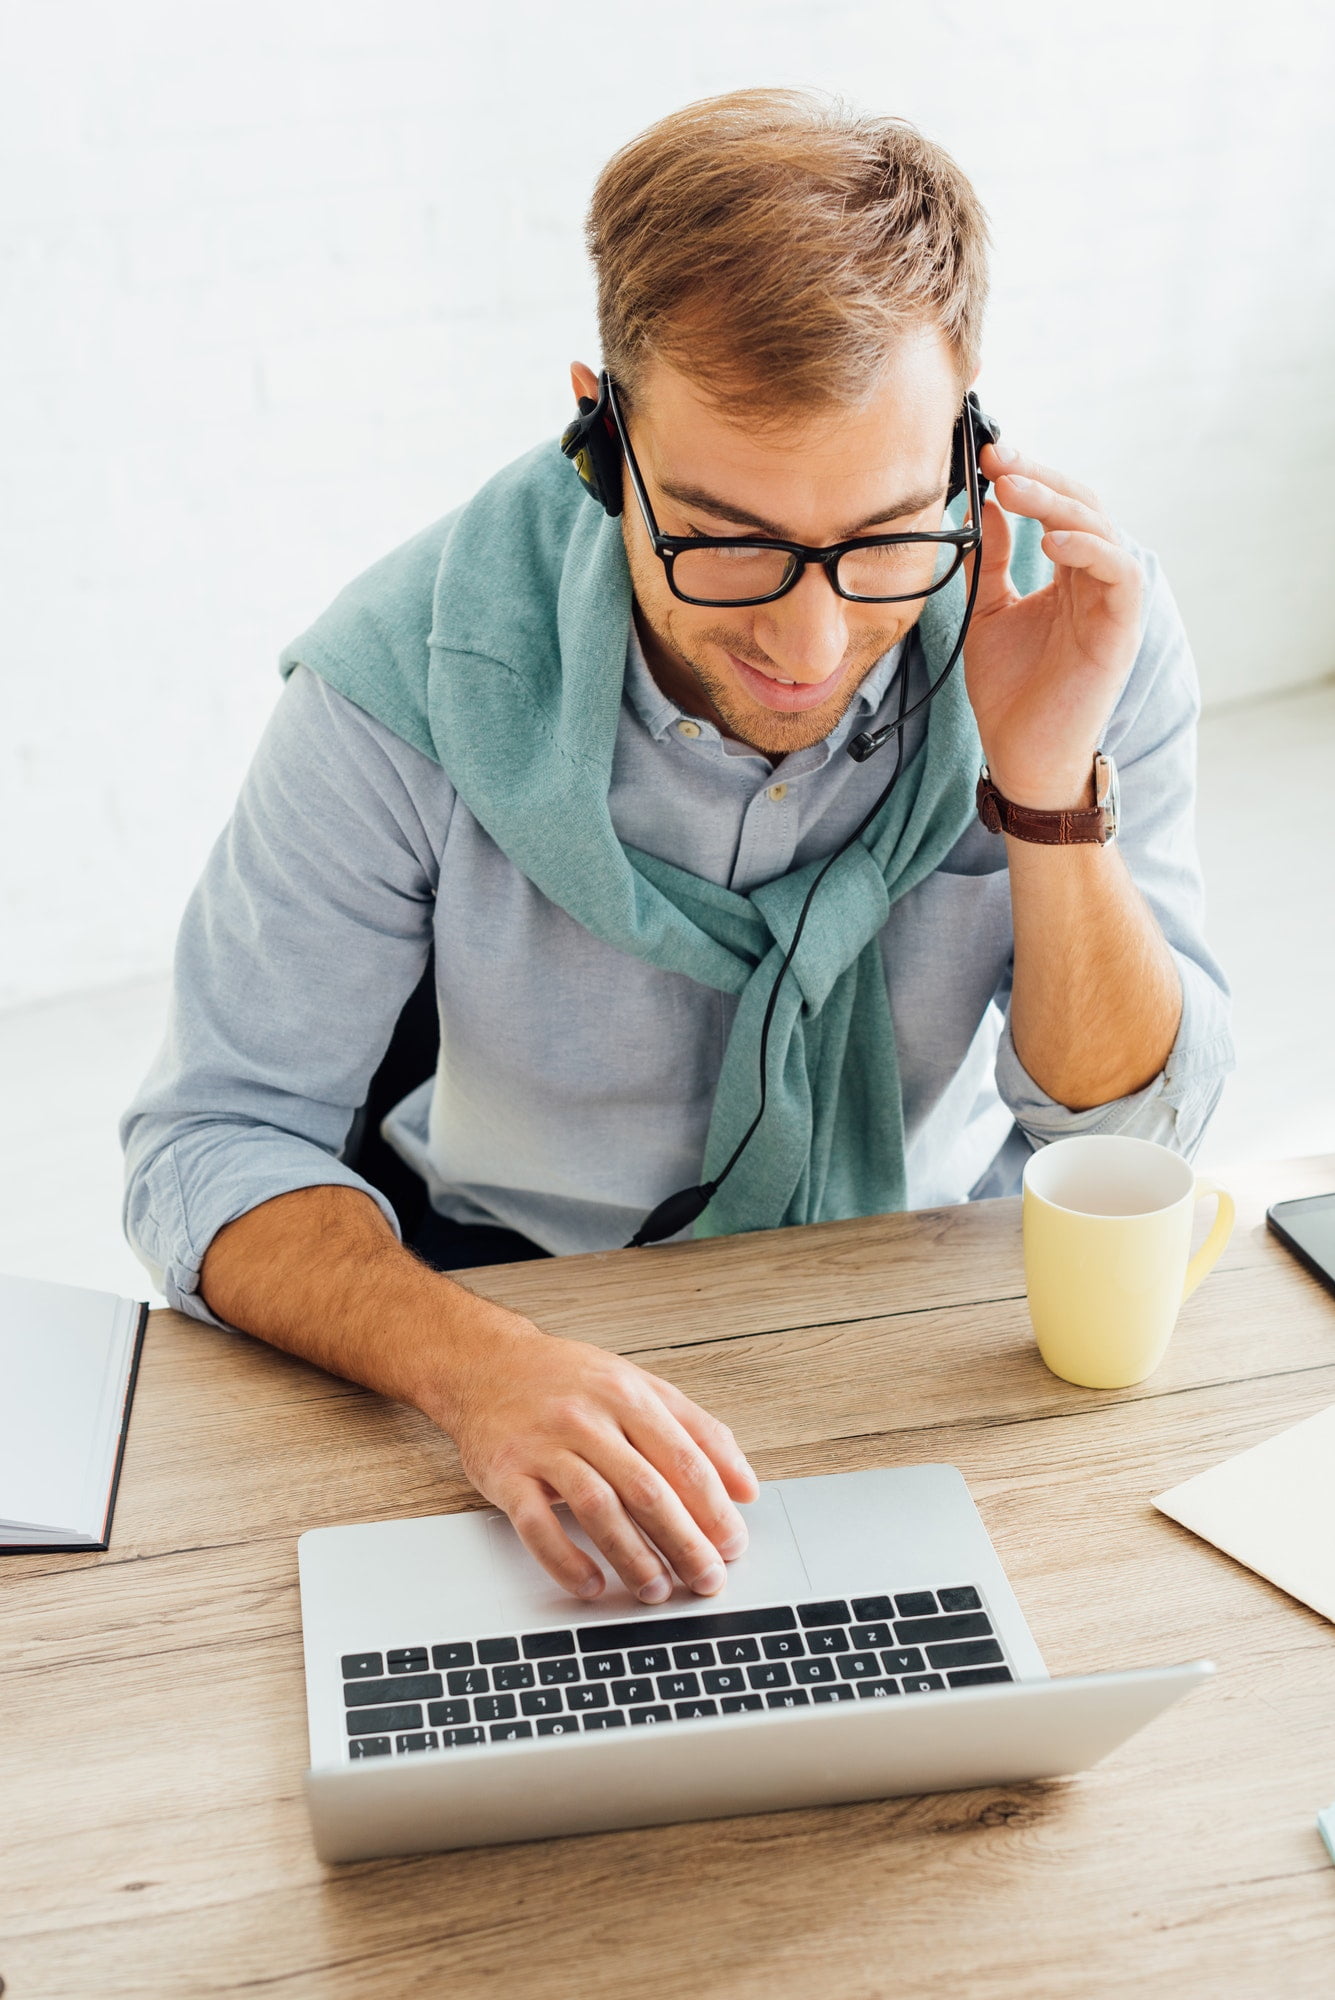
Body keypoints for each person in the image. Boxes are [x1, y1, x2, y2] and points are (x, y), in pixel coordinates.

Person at [122, 89, 1231, 1608]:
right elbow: (210, 1143)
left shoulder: (1082, 627)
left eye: (888, 540)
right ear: (600, 429)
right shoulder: (403, 685)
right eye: (725, 539)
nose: (809, 635)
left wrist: (1044, 787)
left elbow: (1137, 1145)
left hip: (928, 1303)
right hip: (521, 1308)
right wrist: (478, 1369)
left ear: (975, 450)